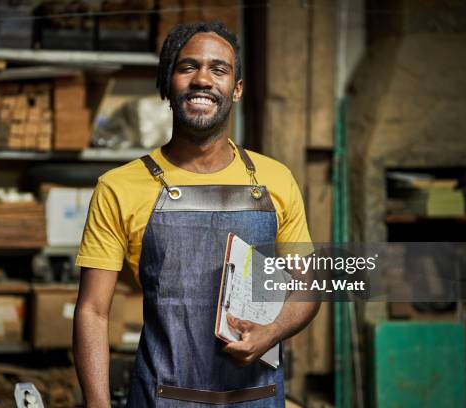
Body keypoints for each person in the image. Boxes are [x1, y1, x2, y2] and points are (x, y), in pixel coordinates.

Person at [73, 21, 319, 407]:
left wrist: (273, 331)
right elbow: (92, 311)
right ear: (168, 84)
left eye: (218, 69)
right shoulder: (118, 187)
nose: (203, 79)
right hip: (163, 397)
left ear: (236, 90)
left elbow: (307, 286)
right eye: (188, 67)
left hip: (257, 397)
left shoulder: (276, 180)